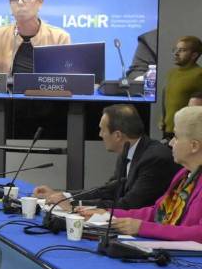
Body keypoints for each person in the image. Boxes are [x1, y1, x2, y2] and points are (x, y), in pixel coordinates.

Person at [33, 104, 177, 211]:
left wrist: (73, 204)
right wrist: (64, 195)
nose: (100, 135)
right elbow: (109, 190)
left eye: (102, 129)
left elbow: (130, 204)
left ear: (118, 135)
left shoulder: (155, 159)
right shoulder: (128, 150)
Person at [92, 106, 202, 243]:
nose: (172, 143)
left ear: (194, 146)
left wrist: (142, 228)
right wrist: (109, 213)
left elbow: (199, 234)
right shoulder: (184, 175)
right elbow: (157, 212)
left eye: (176, 137)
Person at [161, 36, 202, 139]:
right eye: (175, 49)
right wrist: (163, 119)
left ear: (194, 55)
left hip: (187, 133)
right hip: (167, 130)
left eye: (182, 50)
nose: (176, 53)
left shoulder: (199, 74)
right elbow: (166, 98)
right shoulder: (171, 73)